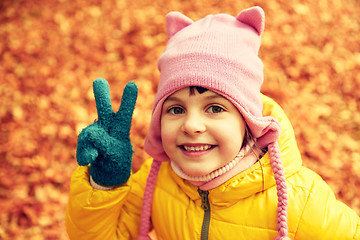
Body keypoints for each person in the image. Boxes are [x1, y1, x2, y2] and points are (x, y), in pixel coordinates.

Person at [65, 6, 360, 240]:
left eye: (215, 108)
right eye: (176, 109)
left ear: (247, 120)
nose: (192, 125)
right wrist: (103, 184)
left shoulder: (301, 205)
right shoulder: (157, 181)